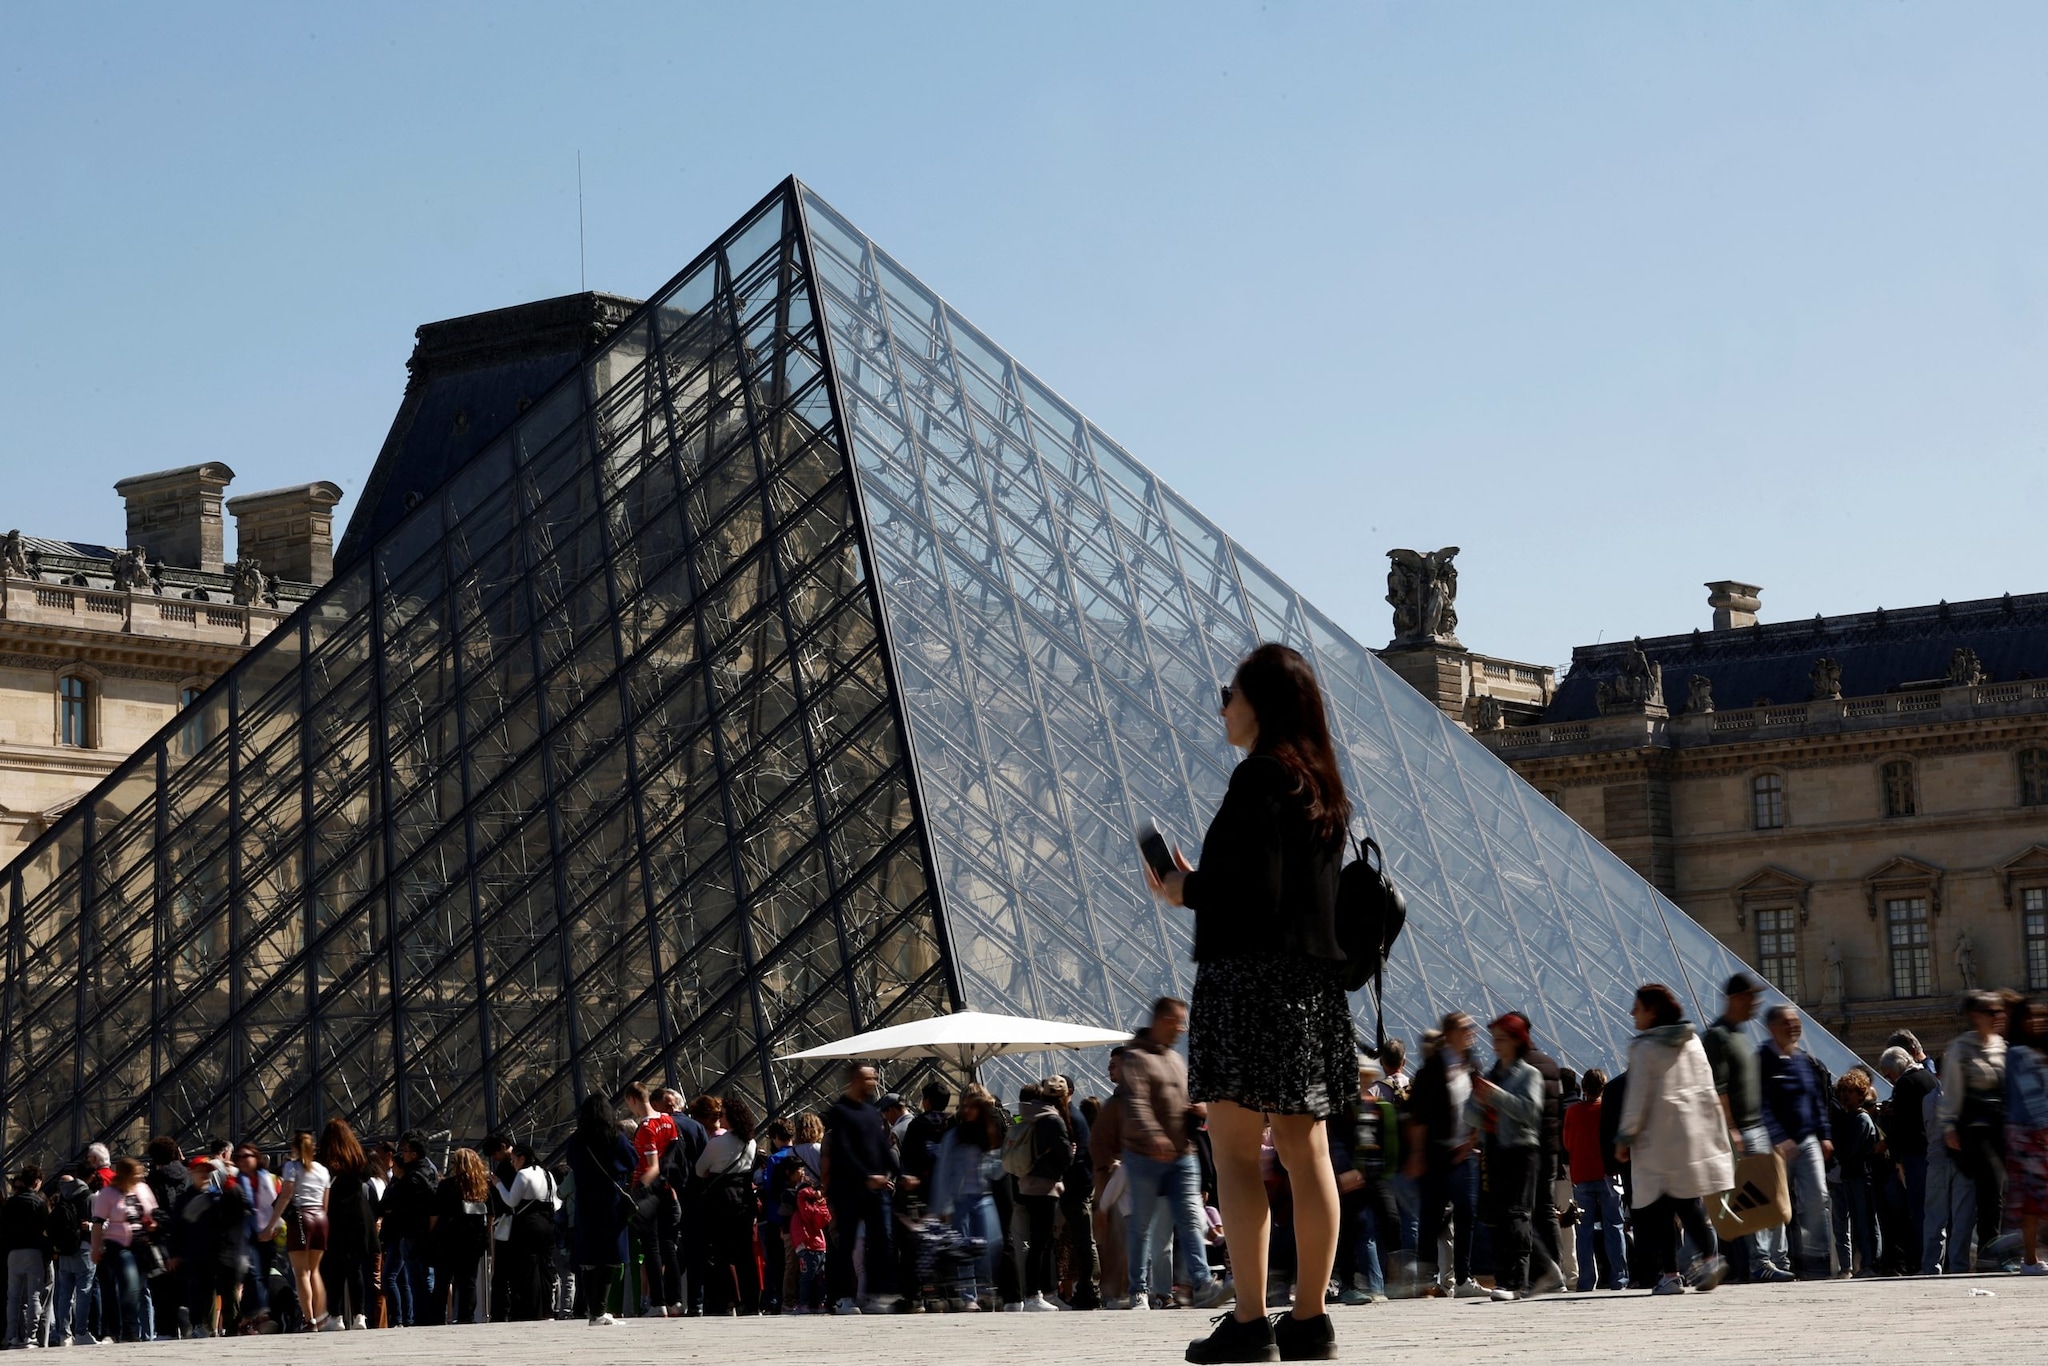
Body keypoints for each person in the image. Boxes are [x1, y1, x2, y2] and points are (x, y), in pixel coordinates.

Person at [1146, 643, 1353, 1364]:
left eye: (1227, 692)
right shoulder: (1321, 785)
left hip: (1248, 983)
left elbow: (1252, 896)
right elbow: (1285, 891)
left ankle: (1249, 1320)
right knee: (1308, 1151)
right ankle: (1311, 1318)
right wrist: (1212, 881)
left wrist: (1186, 889)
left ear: (1258, 701)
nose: (1222, 706)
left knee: (1234, 1154)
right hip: (1313, 989)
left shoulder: (1257, 780)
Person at [1614, 983, 1733, 1296]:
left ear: (1652, 1012)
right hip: (1688, 1135)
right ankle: (1708, 1256)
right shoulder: (1692, 1040)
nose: (1631, 1014)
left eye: (1636, 1008)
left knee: (1661, 1210)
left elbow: (1637, 1096)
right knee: (1688, 1201)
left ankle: (1672, 1274)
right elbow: (1706, 1089)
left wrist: (1625, 1136)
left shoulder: (1644, 1047)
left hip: (1656, 1139)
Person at [1114, 998, 1226, 1316]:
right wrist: (1154, 1135)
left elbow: (1186, 1096)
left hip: (1182, 1153)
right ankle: (1139, 1290)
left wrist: (1197, 1108)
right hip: (1144, 1156)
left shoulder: (1177, 1059)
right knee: (1142, 1226)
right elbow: (1136, 1103)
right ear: (1162, 1020)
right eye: (1177, 1022)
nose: (1181, 1028)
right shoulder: (1135, 1058)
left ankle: (1203, 1284)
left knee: (1191, 1220)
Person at [1702, 971, 1791, 1281]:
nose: (1757, 1003)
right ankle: (1757, 1262)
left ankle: (1764, 1260)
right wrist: (1731, 1129)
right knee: (1752, 1197)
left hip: (1755, 1127)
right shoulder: (1717, 1036)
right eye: (1752, 997)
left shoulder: (1740, 1034)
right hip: (1740, 1130)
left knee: (1764, 1195)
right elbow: (1719, 1088)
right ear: (1736, 998)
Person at [1469, 1014, 1565, 1301]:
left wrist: (1495, 1097)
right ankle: (1530, 1272)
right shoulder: (1493, 1073)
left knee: (1517, 1215)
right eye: (1494, 1038)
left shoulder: (1529, 1074)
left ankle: (1517, 1282)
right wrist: (1475, 1100)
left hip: (1521, 1151)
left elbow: (1528, 1112)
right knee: (1496, 1216)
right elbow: (1471, 1114)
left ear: (1516, 1041)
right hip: (1494, 1149)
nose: (1495, 1044)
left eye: (1501, 1038)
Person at [1405, 1011, 1484, 1299]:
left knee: (1467, 1214)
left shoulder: (1473, 1066)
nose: (1472, 1032)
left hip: (1465, 1152)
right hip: (1437, 1152)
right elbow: (1419, 1117)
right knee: (1431, 1216)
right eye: (1466, 1028)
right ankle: (1427, 1278)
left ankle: (1463, 1277)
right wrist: (1416, 1154)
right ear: (1450, 1034)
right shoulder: (1430, 1071)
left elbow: (1480, 1108)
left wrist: (1474, 1139)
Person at [1760, 1004, 1834, 1277]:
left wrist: (1825, 1135)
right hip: (1775, 1144)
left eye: (1797, 1021)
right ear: (1772, 1027)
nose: (1795, 1026)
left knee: (1818, 1197)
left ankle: (1817, 1259)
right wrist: (1778, 1137)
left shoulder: (1803, 1059)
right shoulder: (1763, 1059)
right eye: (1787, 1022)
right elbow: (1761, 1102)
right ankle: (1775, 1262)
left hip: (1807, 1140)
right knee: (1777, 1205)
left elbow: (1815, 1101)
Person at [1940, 990, 2010, 1270]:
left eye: (2000, 1011)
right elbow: (1952, 1090)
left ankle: (1995, 1250)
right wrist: (1948, 1125)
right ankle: (1989, 1253)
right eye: (1992, 1012)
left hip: (2000, 1128)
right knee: (1990, 1192)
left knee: (1997, 1193)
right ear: (1976, 1016)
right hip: (1976, 1130)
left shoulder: (2001, 1046)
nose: (1998, 1016)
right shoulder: (1962, 1047)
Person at [822, 1062, 895, 1314]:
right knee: (847, 1243)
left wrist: (898, 1172)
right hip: (849, 1189)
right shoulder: (840, 1111)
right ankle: (843, 1297)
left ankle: (876, 1294)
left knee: (882, 1241)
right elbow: (844, 1150)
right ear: (855, 1079)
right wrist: (866, 1176)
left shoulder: (871, 1112)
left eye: (874, 1077)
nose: (873, 1082)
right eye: (869, 1078)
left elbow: (881, 1146)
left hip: (873, 1188)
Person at [929, 1084, 1005, 1309]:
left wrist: (1003, 1155)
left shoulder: (987, 1134)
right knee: (964, 1248)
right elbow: (943, 1171)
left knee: (988, 1246)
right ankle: (969, 1297)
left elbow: (998, 1169)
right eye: (965, 1106)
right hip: (960, 1199)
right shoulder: (954, 1135)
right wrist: (941, 1205)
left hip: (983, 1198)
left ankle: (983, 1290)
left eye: (972, 1106)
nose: (967, 1111)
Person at [1334, 1055, 1400, 1303]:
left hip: (1376, 1174)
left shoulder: (1379, 1106)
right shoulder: (1344, 1107)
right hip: (1352, 1175)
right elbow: (1338, 1140)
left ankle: (1389, 1277)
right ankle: (1351, 1284)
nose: (1363, 1081)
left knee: (1391, 1218)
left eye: (1367, 1077)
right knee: (1354, 1227)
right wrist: (1343, 1171)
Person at [568, 1094, 637, 1325]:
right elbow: (632, 1161)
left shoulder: (577, 1139)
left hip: (586, 1202)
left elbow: (571, 1163)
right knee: (609, 1256)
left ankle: (593, 1311)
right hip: (611, 1201)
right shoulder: (615, 1136)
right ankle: (600, 1309)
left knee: (589, 1257)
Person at [1011, 1078, 1074, 1311]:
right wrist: (1071, 1152)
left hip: (1025, 1184)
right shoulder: (1053, 1120)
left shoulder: (1029, 1115)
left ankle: (1034, 1294)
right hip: (1045, 1187)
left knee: (1035, 1242)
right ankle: (1033, 1295)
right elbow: (1066, 1159)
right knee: (1041, 1243)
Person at [621, 1081, 682, 1318]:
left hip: (649, 1192)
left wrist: (639, 1189)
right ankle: (676, 1300)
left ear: (633, 1099)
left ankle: (658, 1302)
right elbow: (674, 1158)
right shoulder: (669, 1121)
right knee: (669, 1245)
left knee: (651, 1248)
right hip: (668, 1189)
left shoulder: (645, 1127)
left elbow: (652, 1166)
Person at [697, 1094, 761, 1315]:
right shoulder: (751, 1142)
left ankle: (725, 1301)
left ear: (731, 1117)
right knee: (745, 1255)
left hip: (720, 1201)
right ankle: (751, 1303)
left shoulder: (717, 1143)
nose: (719, 1118)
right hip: (744, 1199)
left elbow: (699, 1169)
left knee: (721, 1253)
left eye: (722, 1115)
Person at [1878, 1034, 1937, 1272]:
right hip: (1934, 1151)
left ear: (1897, 1068)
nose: (1888, 1079)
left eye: (1887, 1073)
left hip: (1914, 1155)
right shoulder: (1929, 1078)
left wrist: (1891, 1151)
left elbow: (1903, 1126)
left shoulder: (1904, 1084)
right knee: (1935, 1210)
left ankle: (1922, 1261)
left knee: (1918, 1209)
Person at [1563, 1069, 1626, 1290]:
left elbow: (1567, 1143)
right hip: (1607, 1175)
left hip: (1581, 1175)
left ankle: (1586, 1280)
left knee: (1584, 1231)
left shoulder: (1572, 1112)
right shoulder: (1607, 1110)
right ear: (1603, 1087)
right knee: (1614, 1226)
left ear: (1584, 1087)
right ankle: (1619, 1278)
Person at [89, 1156, 158, 1342]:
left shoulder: (143, 1189)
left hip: (141, 1243)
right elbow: (97, 1224)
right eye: (136, 1175)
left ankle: (127, 1329)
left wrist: (153, 1224)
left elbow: (153, 1212)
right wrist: (96, 1249)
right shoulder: (108, 1193)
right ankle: (129, 1330)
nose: (139, 1178)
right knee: (130, 1285)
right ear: (125, 1175)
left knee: (138, 1287)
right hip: (119, 1245)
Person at [319, 1118, 378, 1331]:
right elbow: (366, 1176)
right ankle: (359, 1315)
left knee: (333, 1269)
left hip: (334, 1215)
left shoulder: (324, 1158)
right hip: (358, 1216)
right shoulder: (357, 1156)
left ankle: (336, 1316)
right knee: (355, 1270)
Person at [2004, 996, 2048, 1274]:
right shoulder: (2020, 1053)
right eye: (2029, 1016)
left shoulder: (2030, 1052)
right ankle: (2030, 1259)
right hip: (2030, 1132)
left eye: (2040, 1016)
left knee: (2034, 1201)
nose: (2036, 1021)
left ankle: (2030, 1259)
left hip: (2030, 1131)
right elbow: (2030, 1095)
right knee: (2034, 1201)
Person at [494, 1143, 559, 1320]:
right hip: (547, 1222)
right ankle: (547, 1309)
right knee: (546, 1268)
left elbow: (511, 1201)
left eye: (514, 1160)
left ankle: (531, 1309)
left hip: (527, 1224)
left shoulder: (523, 1174)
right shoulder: (546, 1173)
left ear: (522, 1159)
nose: (513, 1164)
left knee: (528, 1268)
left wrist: (498, 1185)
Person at [274, 1130, 331, 1332]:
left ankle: (310, 1319)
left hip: (301, 1218)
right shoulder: (323, 1171)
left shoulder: (292, 1167)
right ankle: (320, 1314)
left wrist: (273, 1222)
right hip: (320, 1219)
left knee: (301, 1273)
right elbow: (325, 1204)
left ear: (295, 1148)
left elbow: (286, 1196)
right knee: (315, 1271)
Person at [378, 1133, 437, 1327]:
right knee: (418, 1279)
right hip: (420, 1232)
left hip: (411, 1233)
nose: (401, 1155)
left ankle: (421, 1318)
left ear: (414, 1154)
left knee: (414, 1280)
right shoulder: (428, 1171)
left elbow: (389, 1202)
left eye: (404, 1151)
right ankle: (423, 1317)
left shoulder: (412, 1178)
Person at [429, 1148, 491, 1325]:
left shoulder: (447, 1185)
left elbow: (435, 1213)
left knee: (442, 1281)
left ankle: (438, 1317)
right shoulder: (483, 1186)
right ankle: (466, 1316)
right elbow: (491, 1214)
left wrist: (431, 1233)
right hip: (473, 1240)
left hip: (448, 1239)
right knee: (468, 1281)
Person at [46, 1163, 97, 1347]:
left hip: (64, 1251)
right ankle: (81, 1331)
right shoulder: (89, 1197)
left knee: (64, 1294)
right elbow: (98, 1223)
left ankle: (63, 1334)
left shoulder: (62, 1199)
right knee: (84, 1293)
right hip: (84, 1248)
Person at [3, 1165, 52, 1349]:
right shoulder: (38, 1202)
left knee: (13, 1297)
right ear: (37, 1182)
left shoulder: (11, 1203)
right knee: (33, 1296)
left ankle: (12, 1336)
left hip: (13, 1252)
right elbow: (46, 1229)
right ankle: (30, 1337)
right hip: (33, 1251)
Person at [789, 1173, 832, 1314]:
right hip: (820, 1247)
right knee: (820, 1278)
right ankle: (820, 1304)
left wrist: (813, 1191)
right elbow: (825, 1218)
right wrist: (819, 1197)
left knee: (806, 1279)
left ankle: (804, 1304)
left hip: (807, 1246)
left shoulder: (804, 1208)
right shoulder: (819, 1208)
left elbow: (801, 1193)